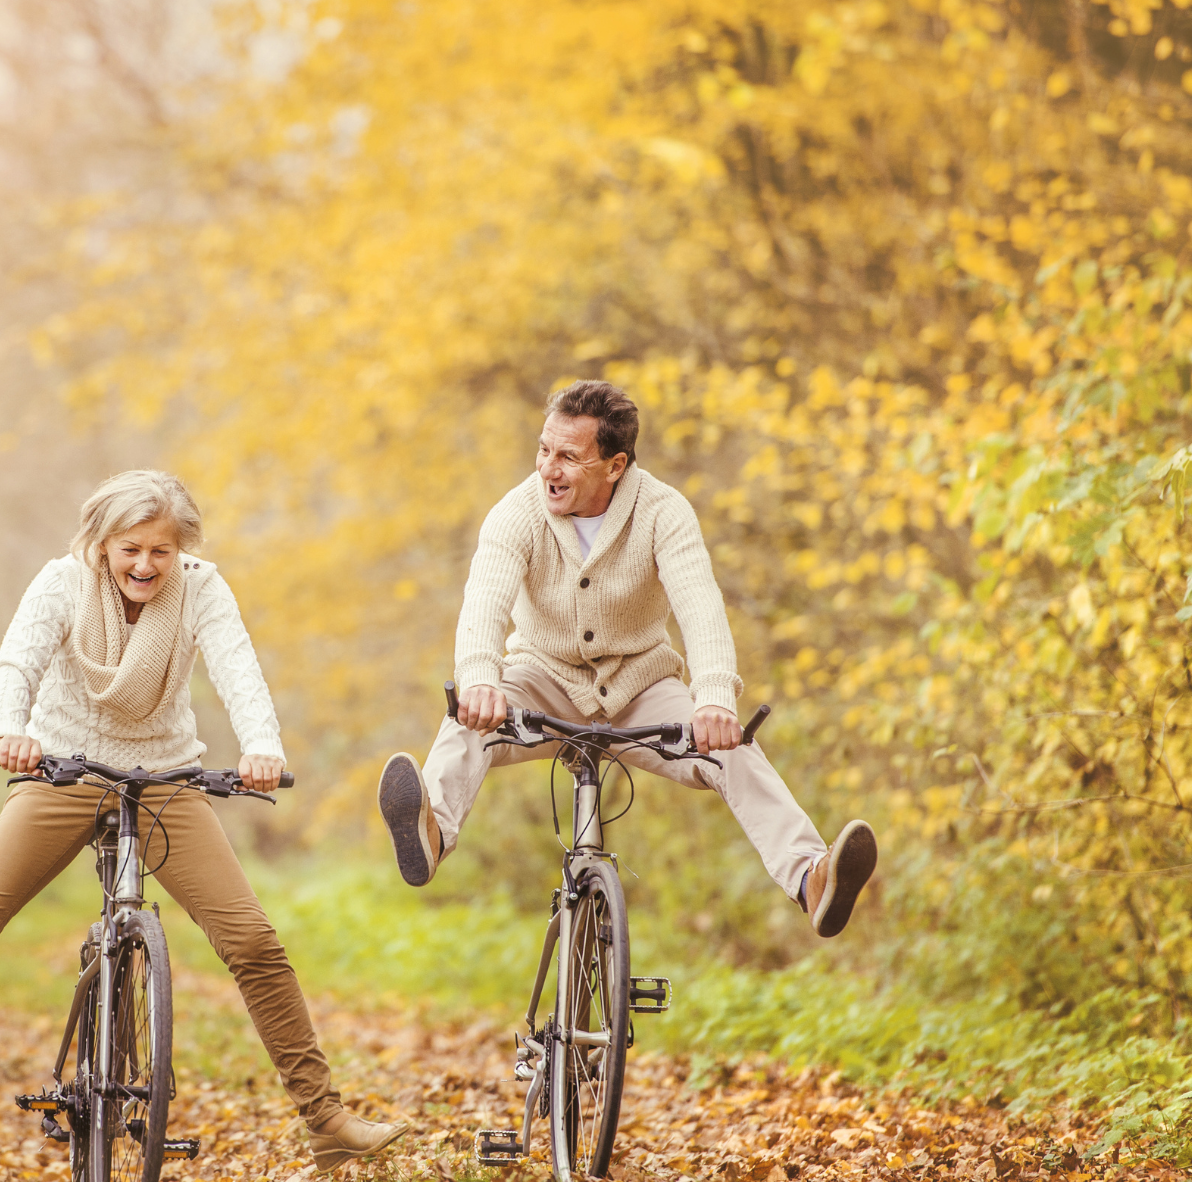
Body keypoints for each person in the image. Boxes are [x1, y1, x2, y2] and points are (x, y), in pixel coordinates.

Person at [0, 470, 410, 1171]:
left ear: (182, 550)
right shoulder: (60, 584)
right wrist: (10, 733)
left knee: (252, 941)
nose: (146, 566)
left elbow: (239, 671)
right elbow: (14, 668)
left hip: (167, 779)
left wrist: (262, 747)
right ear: (100, 545)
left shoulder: (202, 589)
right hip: (61, 770)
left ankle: (327, 1120)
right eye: (131, 550)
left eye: (161, 551)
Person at [376, 380, 878, 936]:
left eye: (568, 456)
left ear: (614, 466)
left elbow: (701, 608)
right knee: (464, 725)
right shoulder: (515, 514)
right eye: (544, 450)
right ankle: (433, 831)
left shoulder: (665, 512)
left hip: (642, 687)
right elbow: (484, 606)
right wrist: (479, 681)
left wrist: (714, 699)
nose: (549, 469)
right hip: (540, 678)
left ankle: (810, 876)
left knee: (734, 748)